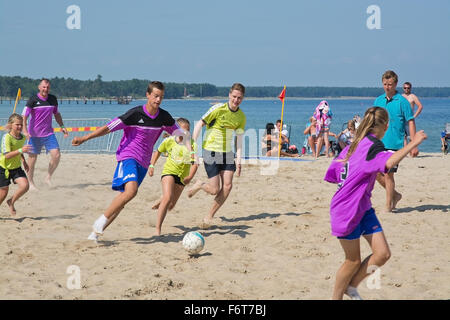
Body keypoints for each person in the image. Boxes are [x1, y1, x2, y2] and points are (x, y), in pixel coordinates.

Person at [324, 106, 427, 300]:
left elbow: (335, 172)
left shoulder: (355, 144)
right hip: (346, 210)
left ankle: (351, 287)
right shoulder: (372, 145)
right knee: (352, 261)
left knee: (382, 254)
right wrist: (414, 142)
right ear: (385, 125)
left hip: (363, 208)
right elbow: (389, 164)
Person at [71, 81, 191, 241]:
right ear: (148, 95)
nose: (158, 100)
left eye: (161, 97)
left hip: (143, 163)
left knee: (123, 199)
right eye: (155, 96)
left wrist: (185, 143)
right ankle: (100, 221)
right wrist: (85, 138)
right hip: (128, 156)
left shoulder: (164, 117)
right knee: (131, 191)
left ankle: (95, 234)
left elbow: (180, 133)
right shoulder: (134, 114)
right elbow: (108, 127)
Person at [187, 83, 246, 228]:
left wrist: (238, 161)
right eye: (234, 97)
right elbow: (199, 124)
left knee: (228, 185)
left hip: (227, 153)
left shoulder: (241, 117)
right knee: (214, 189)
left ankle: (209, 216)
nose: (236, 100)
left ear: (242, 98)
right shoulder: (218, 108)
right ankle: (200, 184)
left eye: (239, 98)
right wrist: (193, 148)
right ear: (229, 95)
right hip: (211, 151)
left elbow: (239, 140)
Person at [374, 70, 418, 213]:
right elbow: (373, 121)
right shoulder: (378, 100)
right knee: (375, 173)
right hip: (379, 143)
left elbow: (410, 122)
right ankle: (395, 195)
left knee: (388, 174)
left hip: (395, 144)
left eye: (390, 84)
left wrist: (413, 144)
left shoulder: (402, 101)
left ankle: (388, 206)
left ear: (395, 84)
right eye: (385, 84)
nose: (387, 87)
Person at [149, 117, 199, 236]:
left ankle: (162, 199)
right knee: (167, 198)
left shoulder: (192, 145)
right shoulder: (169, 141)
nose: (184, 133)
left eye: (187, 131)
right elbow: (158, 151)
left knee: (171, 206)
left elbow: (195, 163)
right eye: (182, 130)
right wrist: (152, 165)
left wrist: (190, 177)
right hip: (169, 172)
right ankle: (158, 229)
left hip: (183, 177)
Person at [22, 78, 69, 190]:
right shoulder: (33, 99)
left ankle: (48, 177)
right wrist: (24, 130)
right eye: (43, 87)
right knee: (32, 160)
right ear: (39, 87)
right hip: (34, 135)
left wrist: (62, 127)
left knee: (56, 155)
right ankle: (31, 182)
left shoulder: (53, 99)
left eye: (47, 87)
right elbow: (24, 116)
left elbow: (56, 114)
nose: (45, 89)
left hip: (48, 134)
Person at [0, 114, 32, 216]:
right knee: (3, 192)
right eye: (17, 124)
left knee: (25, 186)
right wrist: (21, 150)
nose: (19, 127)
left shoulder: (22, 137)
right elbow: (7, 155)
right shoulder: (7, 137)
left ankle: (11, 202)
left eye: (21, 125)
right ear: (11, 125)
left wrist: (24, 161)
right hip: (3, 168)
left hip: (16, 167)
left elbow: (19, 150)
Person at [402, 82, 424, 149]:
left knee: (412, 136)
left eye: (408, 88)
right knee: (403, 136)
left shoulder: (413, 96)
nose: (406, 89)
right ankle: (405, 152)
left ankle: (413, 151)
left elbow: (420, 106)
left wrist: (414, 116)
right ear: (403, 88)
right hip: (402, 118)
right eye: (405, 88)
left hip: (410, 118)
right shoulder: (401, 97)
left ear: (410, 88)